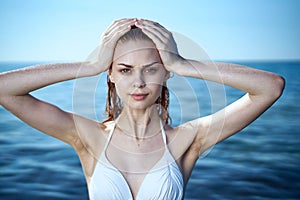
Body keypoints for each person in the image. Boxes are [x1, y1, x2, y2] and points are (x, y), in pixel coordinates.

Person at [0, 18, 285, 200]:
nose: (138, 82)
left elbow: (270, 87)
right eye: (125, 70)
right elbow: (4, 89)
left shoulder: (188, 139)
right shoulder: (88, 137)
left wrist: (182, 64)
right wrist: (90, 67)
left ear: (165, 74)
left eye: (151, 70)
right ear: (111, 74)